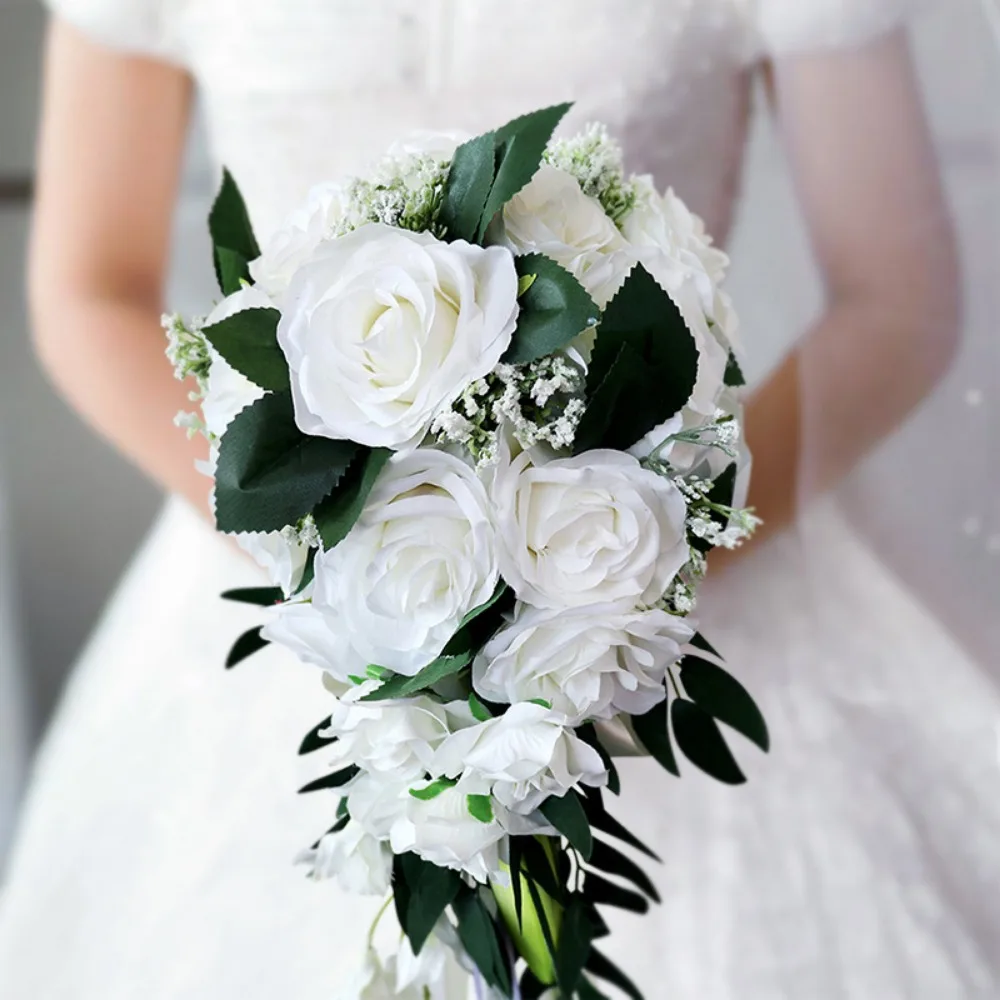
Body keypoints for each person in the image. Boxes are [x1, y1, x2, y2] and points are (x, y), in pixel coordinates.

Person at [1, 1, 997, 997]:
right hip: (287, 603)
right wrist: (332, 563)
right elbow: (90, 288)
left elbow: (896, 299)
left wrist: (618, 578)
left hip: (660, 595)